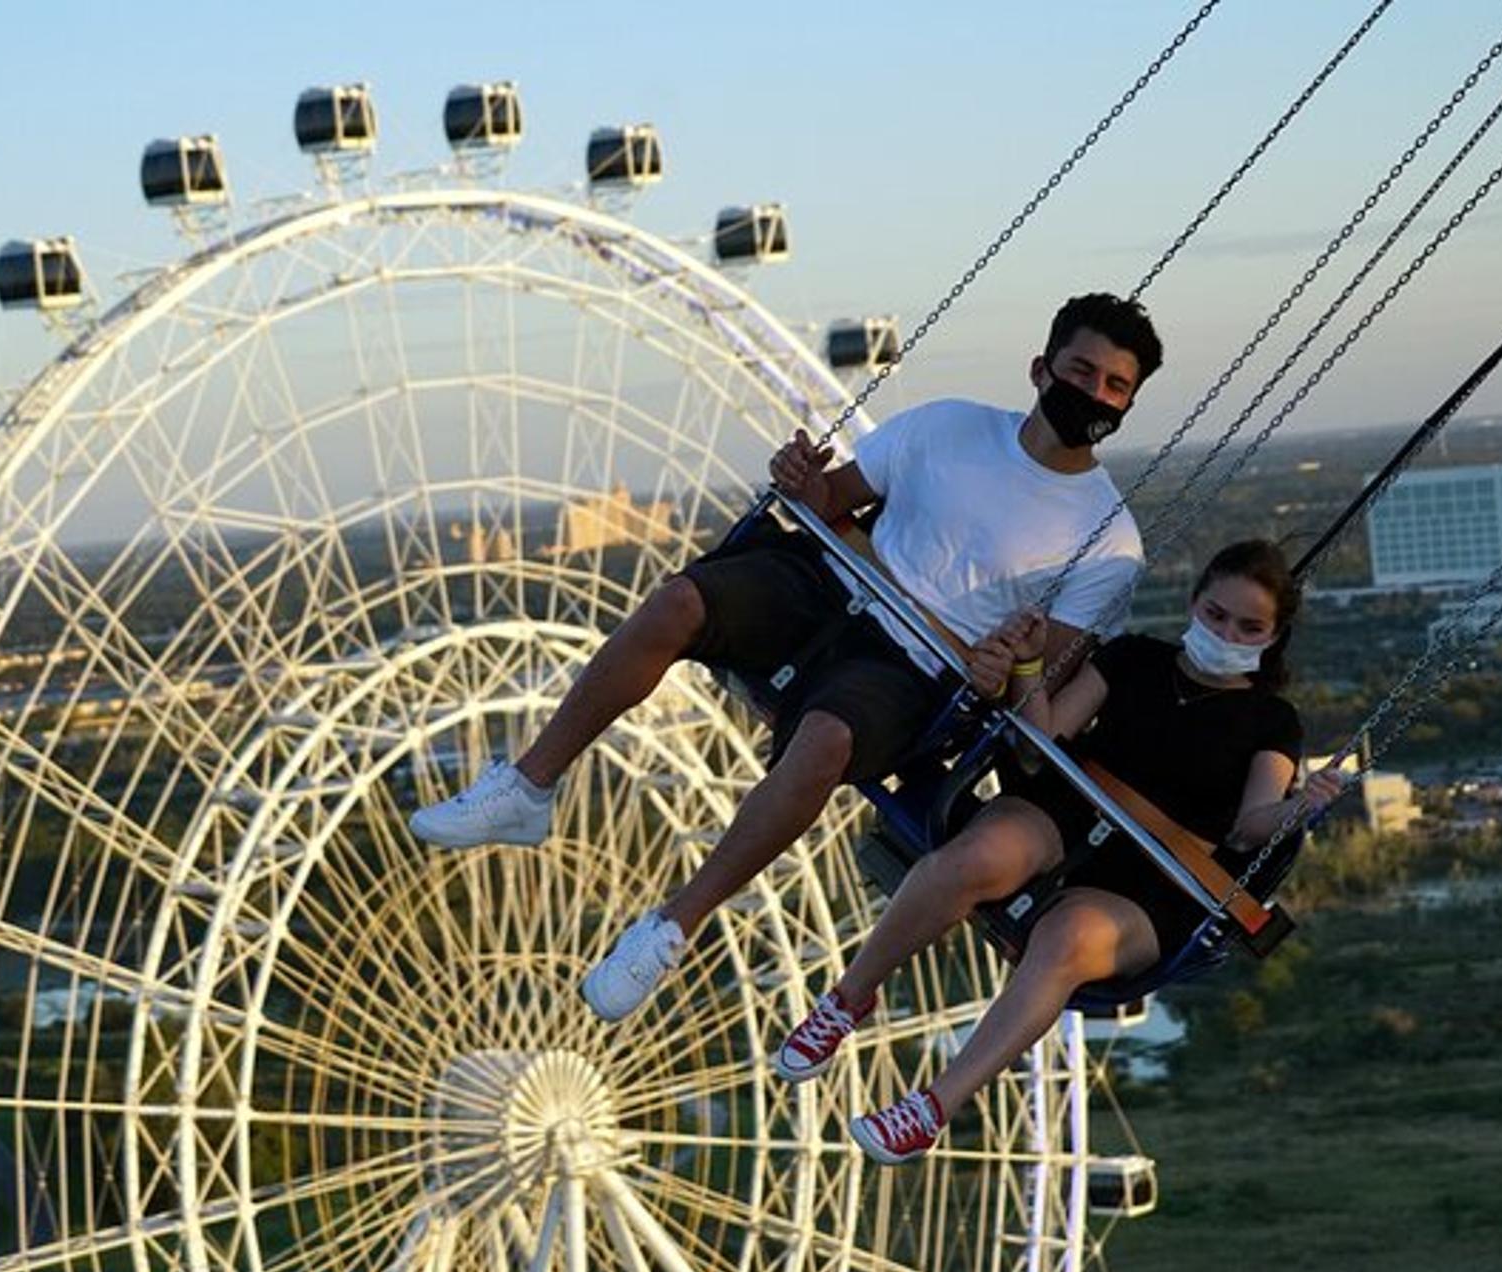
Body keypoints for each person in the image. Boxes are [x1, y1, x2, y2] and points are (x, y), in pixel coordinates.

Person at [409, 293, 1162, 1023]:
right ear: (1040, 368)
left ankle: (670, 929)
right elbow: (828, 497)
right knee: (678, 602)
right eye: (1081, 370)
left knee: (827, 741)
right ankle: (527, 786)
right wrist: (802, 479)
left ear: (1129, 403)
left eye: (1115, 385)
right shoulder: (947, 426)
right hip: (825, 583)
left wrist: (999, 663)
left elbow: (1037, 678)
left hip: (914, 668)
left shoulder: (1108, 539)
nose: (1093, 391)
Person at [768, 539, 1346, 1163]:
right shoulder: (1130, 659)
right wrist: (1028, 667)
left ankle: (933, 1106)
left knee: (1068, 937)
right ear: (1193, 602)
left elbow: (1249, 828)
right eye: (1215, 615)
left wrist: (1302, 805)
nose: (1226, 631)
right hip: (1068, 810)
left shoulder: (1271, 721)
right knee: (972, 858)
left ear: (1272, 636)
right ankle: (848, 999)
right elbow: (1041, 740)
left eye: (1247, 626)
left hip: (1159, 876)